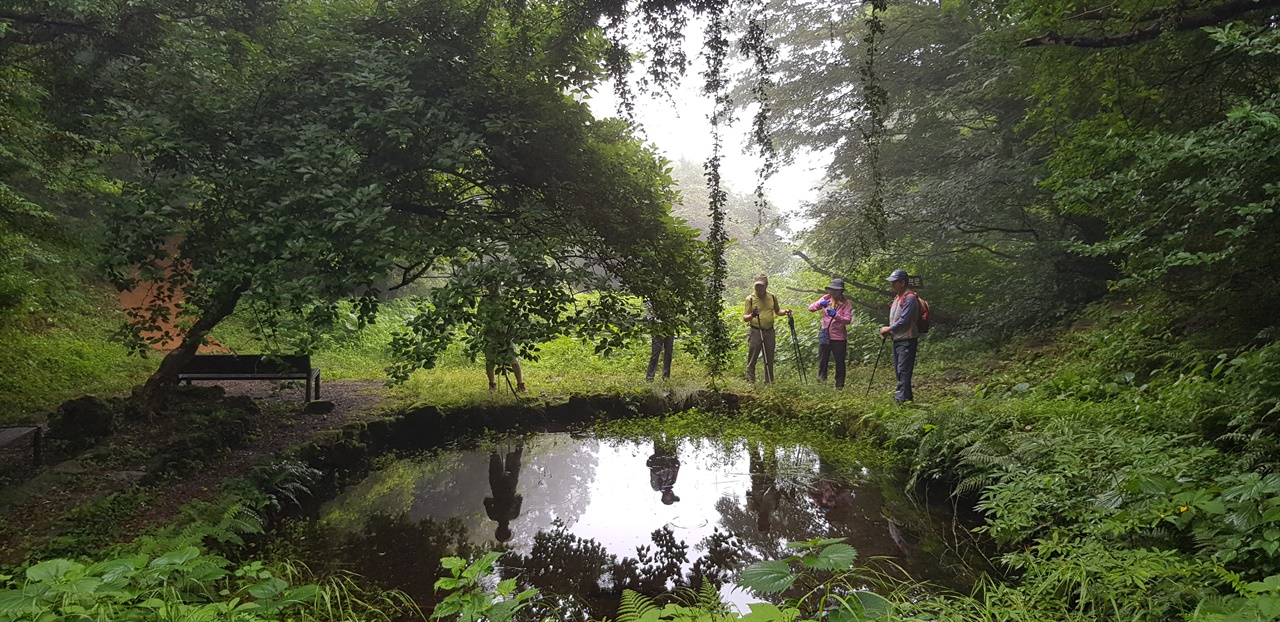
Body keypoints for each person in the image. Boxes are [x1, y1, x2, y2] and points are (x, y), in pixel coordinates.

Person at [879, 269, 920, 403]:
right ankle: (907, 399)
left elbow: (904, 319)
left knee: (903, 371)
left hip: (907, 340)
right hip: (897, 339)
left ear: (902, 282)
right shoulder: (897, 297)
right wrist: (890, 331)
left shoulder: (910, 298)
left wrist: (889, 329)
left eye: (894, 282)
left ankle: (900, 401)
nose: (892, 285)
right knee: (900, 371)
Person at [742, 274, 791, 384]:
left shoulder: (772, 297)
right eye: (757, 286)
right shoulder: (750, 298)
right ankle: (750, 382)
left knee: (769, 358)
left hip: (769, 331)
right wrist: (752, 315)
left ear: (766, 285)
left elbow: (777, 311)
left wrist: (785, 312)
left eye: (761, 286)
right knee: (752, 357)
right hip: (755, 331)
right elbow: (745, 318)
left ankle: (769, 382)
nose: (758, 288)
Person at [807, 278, 854, 389]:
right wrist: (820, 303)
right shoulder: (826, 299)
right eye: (831, 289)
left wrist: (836, 316)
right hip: (825, 335)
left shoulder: (846, 303)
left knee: (839, 362)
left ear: (841, 291)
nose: (833, 292)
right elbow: (811, 308)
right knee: (823, 360)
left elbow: (848, 320)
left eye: (836, 290)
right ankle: (821, 383)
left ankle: (839, 386)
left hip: (839, 337)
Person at [484, 443, 524, 542]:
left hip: (510, 485)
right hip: (496, 485)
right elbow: (486, 501)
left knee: (516, 458)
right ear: (497, 529)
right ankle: (491, 438)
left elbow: (519, 498)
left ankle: (521, 437)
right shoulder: (493, 515)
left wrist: (510, 500)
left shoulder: (514, 515)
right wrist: (496, 501)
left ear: (509, 529)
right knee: (494, 457)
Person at [644, 298, 675, 382]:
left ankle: (666, 377)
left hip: (669, 327)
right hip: (657, 329)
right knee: (655, 354)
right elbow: (649, 315)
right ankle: (650, 378)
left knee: (669, 353)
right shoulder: (651, 299)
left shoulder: (671, 298)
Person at [646, 434, 681, 505]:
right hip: (671, 455)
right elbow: (677, 465)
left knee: (657, 434)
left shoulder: (656, 487)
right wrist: (674, 466)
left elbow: (654, 472)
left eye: (671, 497)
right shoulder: (672, 482)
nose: (672, 495)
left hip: (659, 456)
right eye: (673, 496)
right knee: (671, 434)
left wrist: (664, 468)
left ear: (665, 498)